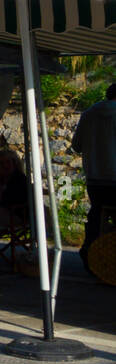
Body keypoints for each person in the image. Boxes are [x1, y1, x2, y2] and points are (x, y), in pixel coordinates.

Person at [73, 83, 116, 272]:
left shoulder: (88, 114)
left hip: (95, 178)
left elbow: (76, 145)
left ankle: (90, 249)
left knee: (97, 214)